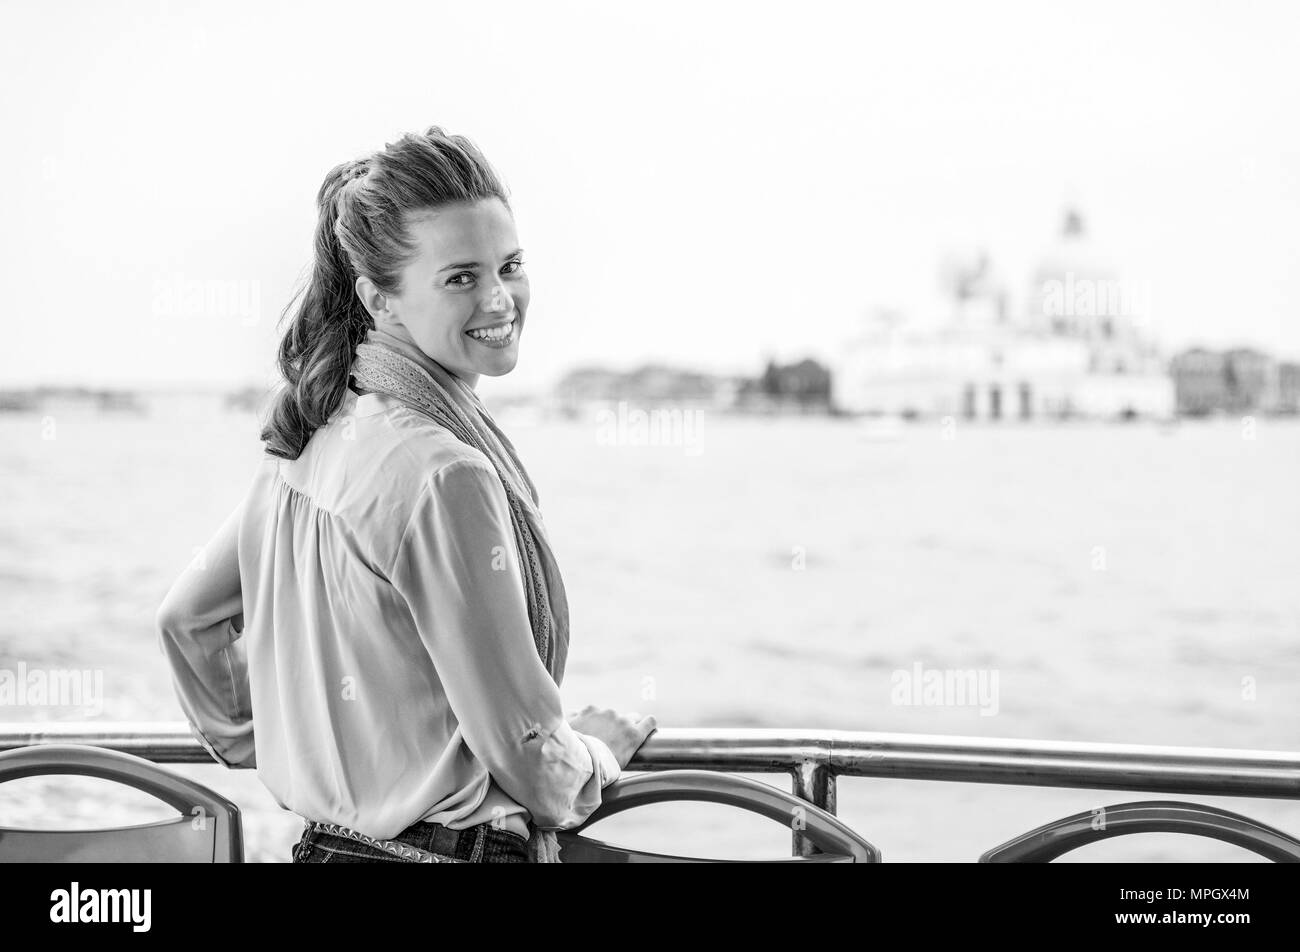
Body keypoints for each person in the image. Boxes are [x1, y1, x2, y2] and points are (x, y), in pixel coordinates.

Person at [155, 125, 657, 863]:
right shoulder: (445, 473)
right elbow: (526, 754)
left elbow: (186, 620)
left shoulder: (309, 439)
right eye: (460, 277)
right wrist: (596, 756)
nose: (499, 298)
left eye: (510, 265)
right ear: (379, 301)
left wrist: (293, 751)